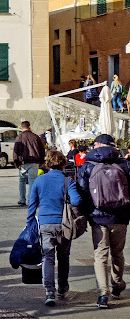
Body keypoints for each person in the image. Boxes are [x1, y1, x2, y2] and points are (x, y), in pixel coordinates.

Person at [76, 134, 130, 308]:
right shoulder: (125, 164)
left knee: (100, 256)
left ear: (98, 146)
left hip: (97, 217)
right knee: (118, 253)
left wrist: (86, 213)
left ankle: (102, 294)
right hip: (121, 216)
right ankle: (117, 285)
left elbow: (82, 191)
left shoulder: (88, 166)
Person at [26, 150, 82, 306]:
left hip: (45, 224)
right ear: (63, 164)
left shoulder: (39, 180)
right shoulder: (67, 181)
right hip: (64, 225)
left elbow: (32, 204)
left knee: (48, 258)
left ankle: (49, 291)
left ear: (47, 164)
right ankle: (62, 288)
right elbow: (77, 201)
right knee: (64, 257)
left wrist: (30, 222)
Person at [13, 120, 47, 206]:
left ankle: (22, 199)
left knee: (22, 180)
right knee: (32, 181)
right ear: (29, 127)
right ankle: (31, 200)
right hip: (34, 162)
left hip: (23, 162)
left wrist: (17, 163)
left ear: (21, 127)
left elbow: (15, 151)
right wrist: (41, 161)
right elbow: (42, 150)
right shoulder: (35, 137)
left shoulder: (19, 137)